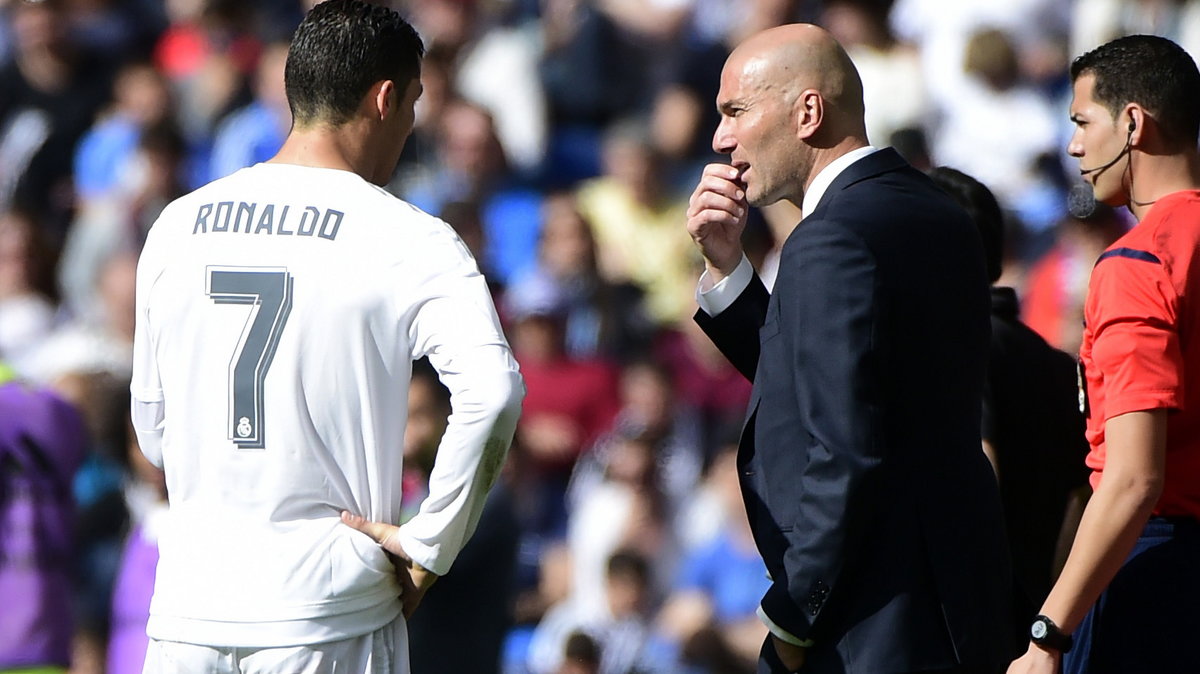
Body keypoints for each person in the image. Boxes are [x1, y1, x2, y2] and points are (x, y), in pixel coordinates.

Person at [129, 2, 524, 672]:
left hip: (188, 613)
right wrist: (432, 545)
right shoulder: (411, 238)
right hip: (327, 611)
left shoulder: (176, 225)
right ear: (385, 97)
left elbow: (153, 432)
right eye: (414, 104)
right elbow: (493, 395)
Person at [685, 23, 1016, 673]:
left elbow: (845, 451)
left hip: (871, 623)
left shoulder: (826, 239)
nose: (722, 138)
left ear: (807, 112)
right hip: (959, 608)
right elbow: (832, 387)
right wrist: (729, 275)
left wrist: (795, 618)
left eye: (735, 112)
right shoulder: (940, 214)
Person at [1007, 35, 1200, 674]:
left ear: (1133, 123)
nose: (1073, 146)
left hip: (1159, 578)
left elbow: (1134, 477)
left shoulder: (1138, 263)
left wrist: (1047, 634)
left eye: (1083, 122)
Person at [929, 166, 1090, 628]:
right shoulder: (1057, 364)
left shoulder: (962, 347)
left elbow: (979, 473)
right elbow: (1082, 496)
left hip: (972, 627)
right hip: (1036, 623)